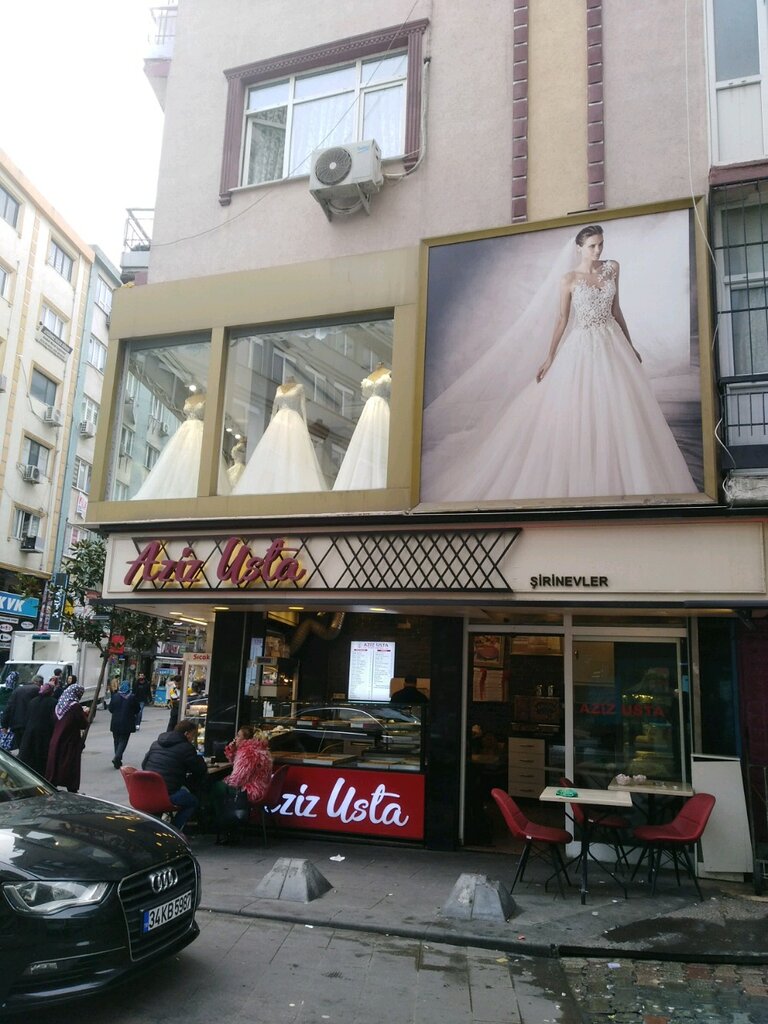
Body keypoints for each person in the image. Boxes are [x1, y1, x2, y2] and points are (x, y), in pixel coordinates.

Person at [422, 224, 697, 502]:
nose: (598, 250)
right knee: (581, 408)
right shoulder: (569, 279)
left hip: (612, 343)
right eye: (592, 246)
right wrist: (550, 357)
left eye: (601, 244)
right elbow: (562, 319)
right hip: (582, 346)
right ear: (579, 248)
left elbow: (616, 309)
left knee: (621, 405)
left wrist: (630, 344)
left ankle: (624, 470)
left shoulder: (612, 268)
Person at [141, 718, 208, 833]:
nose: (193, 739)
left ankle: (158, 829)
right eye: (193, 736)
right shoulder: (186, 748)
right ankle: (173, 831)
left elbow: (144, 765)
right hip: (168, 794)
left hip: (147, 791)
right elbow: (200, 770)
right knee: (192, 801)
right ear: (186, 734)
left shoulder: (156, 743)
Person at [46, 683, 88, 792]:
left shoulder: (59, 705)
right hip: (70, 741)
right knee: (70, 765)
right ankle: (71, 787)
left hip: (56, 739)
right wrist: (85, 714)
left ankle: (53, 784)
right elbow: (83, 724)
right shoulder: (75, 706)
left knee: (56, 762)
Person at [18, 682, 57, 775]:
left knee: (30, 757)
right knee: (41, 759)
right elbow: (54, 719)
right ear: (51, 692)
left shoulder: (33, 701)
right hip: (44, 734)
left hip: (30, 733)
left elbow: (27, 717)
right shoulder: (54, 702)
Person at [1, 674, 42, 751]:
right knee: (24, 748)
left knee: (17, 746)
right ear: (39, 683)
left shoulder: (18, 689)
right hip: (28, 724)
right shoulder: (38, 691)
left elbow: (9, 706)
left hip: (15, 723)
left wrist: (4, 724)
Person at [109, 681, 141, 768]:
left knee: (116, 740)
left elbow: (110, 708)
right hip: (127, 722)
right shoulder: (132, 697)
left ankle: (117, 759)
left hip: (115, 722)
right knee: (123, 740)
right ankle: (117, 757)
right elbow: (137, 709)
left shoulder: (115, 696)